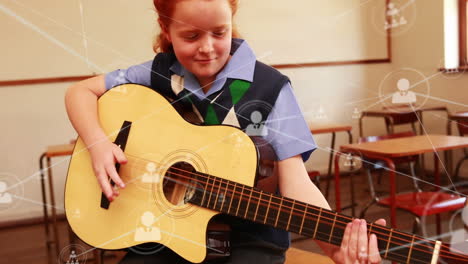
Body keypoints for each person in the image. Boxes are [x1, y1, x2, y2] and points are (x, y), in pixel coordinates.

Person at [65, 0, 385, 263]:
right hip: (166, 233)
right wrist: (98, 144)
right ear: (166, 29)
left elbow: (296, 183)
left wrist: (335, 249)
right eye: (191, 37)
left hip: (250, 239)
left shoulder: (270, 88)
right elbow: (79, 93)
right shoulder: (155, 74)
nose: (207, 48)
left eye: (220, 33)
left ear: (232, 19)